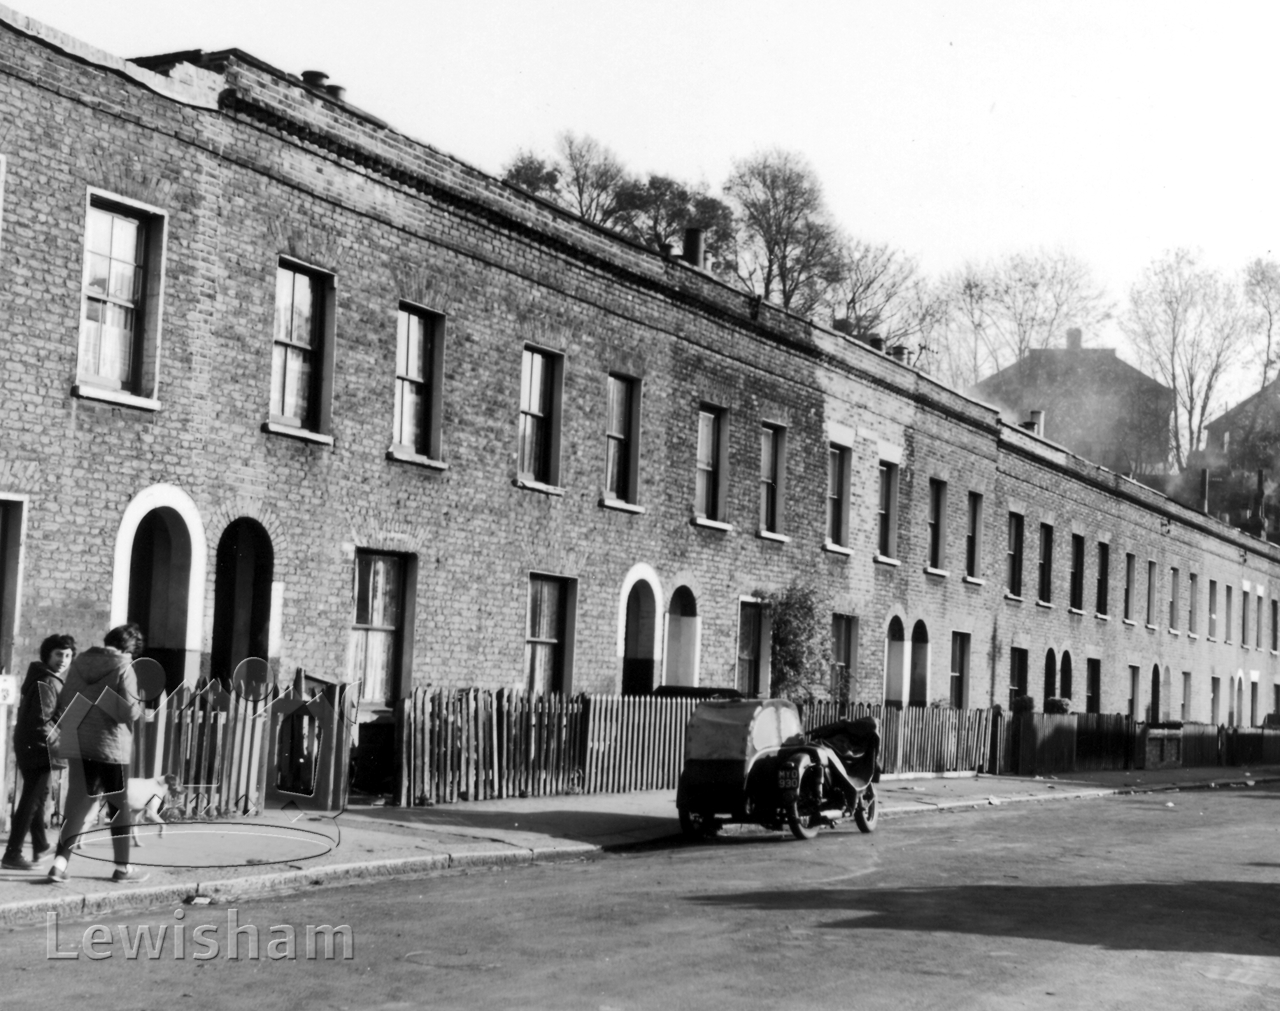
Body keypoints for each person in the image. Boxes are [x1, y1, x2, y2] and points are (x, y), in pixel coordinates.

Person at [46, 622, 147, 885]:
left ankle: (59, 864)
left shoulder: (79, 663)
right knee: (117, 807)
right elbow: (129, 712)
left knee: (76, 804)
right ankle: (123, 868)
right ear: (129, 648)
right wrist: (136, 704)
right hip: (112, 747)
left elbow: (66, 698)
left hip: (79, 742)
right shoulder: (124, 667)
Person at [2, 635, 75, 871]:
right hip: (40, 746)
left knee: (39, 796)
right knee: (31, 800)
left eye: (68, 655)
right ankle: (13, 853)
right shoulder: (47, 681)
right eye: (58, 655)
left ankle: (41, 845)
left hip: (31, 743)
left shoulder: (43, 677)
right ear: (47, 655)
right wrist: (55, 745)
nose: (63, 660)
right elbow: (41, 720)